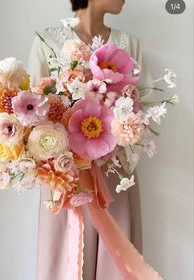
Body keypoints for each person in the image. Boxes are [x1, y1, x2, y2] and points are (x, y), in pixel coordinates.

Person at [27, 0, 153, 279]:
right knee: (65, 260)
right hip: (64, 176)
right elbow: (30, 114)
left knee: (117, 260)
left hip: (116, 175)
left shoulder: (128, 43)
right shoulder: (46, 42)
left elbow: (145, 107)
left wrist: (123, 126)